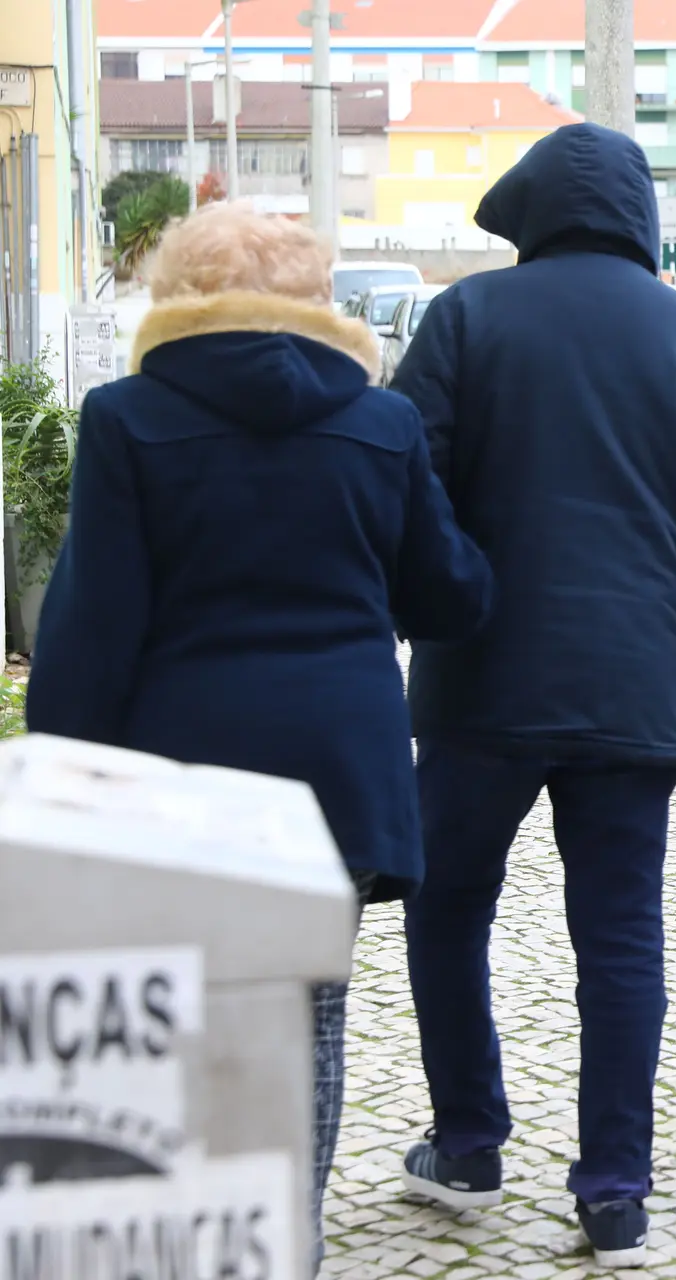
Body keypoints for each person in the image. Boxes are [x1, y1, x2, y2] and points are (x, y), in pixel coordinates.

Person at [23, 202, 495, 1275]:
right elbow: (453, 595)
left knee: (170, 1011)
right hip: (338, 778)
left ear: (180, 294)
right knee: (309, 1012)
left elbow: (91, 634)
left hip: (173, 782)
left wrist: (60, 769)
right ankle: (290, 1243)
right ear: (315, 299)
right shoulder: (381, 426)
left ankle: (185, 1234)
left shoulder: (127, 419)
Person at [387, 124, 676, 1268]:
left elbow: (406, 484)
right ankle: (614, 1186)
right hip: (633, 690)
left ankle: (467, 1141)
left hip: (479, 686)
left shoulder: (465, 321)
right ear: (640, 218)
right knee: (617, 936)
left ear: (532, 214)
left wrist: (440, 603)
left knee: (448, 907)